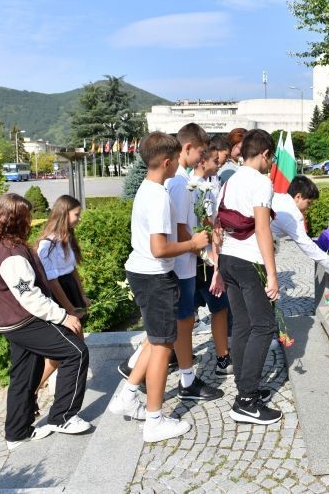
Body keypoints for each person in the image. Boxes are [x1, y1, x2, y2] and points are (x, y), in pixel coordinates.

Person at [109, 132, 210, 443]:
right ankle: (154, 420)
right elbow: (160, 249)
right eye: (176, 160)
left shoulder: (147, 189)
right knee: (163, 347)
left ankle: (127, 396)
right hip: (155, 277)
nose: (178, 165)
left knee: (155, 341)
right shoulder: (159, 196)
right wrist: (193, 243)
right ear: (167, 162)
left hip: (142, 273)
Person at [0, 193, 91, 450]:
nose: (31, 220)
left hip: (13, 321)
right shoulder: (11, 253)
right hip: (24, 321)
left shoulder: (2, 244)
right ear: (17, 219)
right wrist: (64, 316)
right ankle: (63, 417)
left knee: (24, 375)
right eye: (27, 216)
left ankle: (17, 433)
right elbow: (29, 296)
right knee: (75, 352)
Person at [215, 128, 282, 424]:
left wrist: (217, 268)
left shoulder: (230, 180)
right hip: (249, 260)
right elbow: (262, 229)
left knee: (242, 324)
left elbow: (217, 223)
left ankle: (244, 385)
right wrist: (272, 274)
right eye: (271, 157)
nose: (271, 163)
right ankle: (246, 400)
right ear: (265, 154)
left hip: (229, 259)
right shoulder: (260, 182)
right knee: (264, 326)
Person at [163, 123, 222, 400]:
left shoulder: (182, 179)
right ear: (187, 147)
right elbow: (179, 228)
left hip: (185, 263)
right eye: (200, 151)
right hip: (181, 264)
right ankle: (135, 373)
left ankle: (186, 379)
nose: (202, 158)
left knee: (184, 320)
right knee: (179, 323)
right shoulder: (178, 182)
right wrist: (202, 251)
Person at [34, 195, 90, 399]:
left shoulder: (66, 238)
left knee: (78, 348)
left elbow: (72, 270)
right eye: (77, 214)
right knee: (67, 350)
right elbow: (53, 282)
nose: (79, 218)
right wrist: (69, 310)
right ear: (64, 214)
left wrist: (82, 295)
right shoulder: (47, 245)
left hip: (70, 292)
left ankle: (72, 391)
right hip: (60, 298)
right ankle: (33, 391)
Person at [191, 144, 233, 376]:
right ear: (202, 160)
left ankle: (179, 355)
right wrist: (217, 262)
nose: (219, 164)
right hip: (204, 259)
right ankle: (222, 358)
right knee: (219, 308)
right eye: (215, 161)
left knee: (189, 312)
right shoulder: (197, 187)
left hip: (197, 258)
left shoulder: (201, 183)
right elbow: (208, 222)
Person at [271, 175, 329, 279]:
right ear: (298, 197)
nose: (309, 207)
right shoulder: (292, 215)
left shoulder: (278, 197)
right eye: (309, 203)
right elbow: (308, 247)